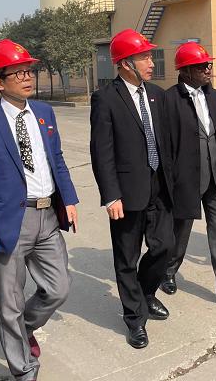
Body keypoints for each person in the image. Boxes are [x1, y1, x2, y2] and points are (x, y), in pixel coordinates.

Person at [0, 39, 79, 381]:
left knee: (59, 288)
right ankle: (23, 368)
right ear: (0, 82)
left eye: (29, 71)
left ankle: (23, 328)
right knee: (10, 300)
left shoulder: (44, 113)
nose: (28, 77)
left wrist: (69, 199)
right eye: (19, 73)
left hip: (47, 216)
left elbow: (56, 158)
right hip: (8, 221)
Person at [90, 29, 174, 350]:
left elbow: (164, 142)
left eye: (150, 56)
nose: (151, 63)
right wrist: (111, 195)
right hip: (126, 192)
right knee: (127, 257)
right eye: (144, 57)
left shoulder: (157, 95)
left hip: (158, 186)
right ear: (126, 63)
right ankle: (134, 318)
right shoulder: (106, 99)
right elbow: (102, 151)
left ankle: (145, 292)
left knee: (164, 246)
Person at [160, 43, 216, 311]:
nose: (208, 69)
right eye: (202, 66)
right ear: (186, 70)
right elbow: (166, 145)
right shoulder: (169, 100)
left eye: (208, 64)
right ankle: (168, 271)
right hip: (186, 179)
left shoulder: (214, 97)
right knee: (180, 230)